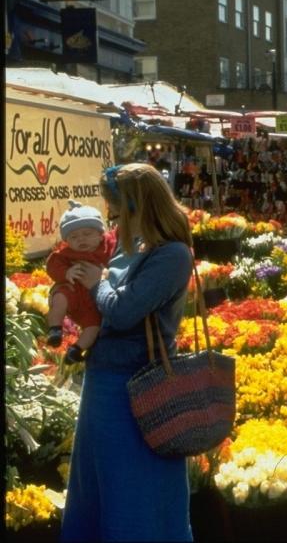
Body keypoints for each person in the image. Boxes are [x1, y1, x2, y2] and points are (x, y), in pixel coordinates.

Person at [60, 163, 194, 541]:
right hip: (104, 384)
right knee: (98, 488)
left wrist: (97, 283)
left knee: (138, 496)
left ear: (138, 206)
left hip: (142, 389)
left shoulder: (171, 255)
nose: (111, 217)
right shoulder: (126, 243)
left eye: (116, 207)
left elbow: (122, 313)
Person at [45, 201, 118, 364]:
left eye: (87, 234)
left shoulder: (108, 248)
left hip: (93, 301)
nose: (81, 239)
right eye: (74, 237)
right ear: (67, 241)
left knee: (93, 326)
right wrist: (66, 272)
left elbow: (117, 236)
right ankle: (55, 329)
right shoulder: (66, 254)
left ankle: (76, 350)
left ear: (100, 234)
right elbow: (52, 265)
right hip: (73, 291)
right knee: (59, 298)